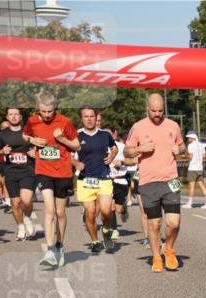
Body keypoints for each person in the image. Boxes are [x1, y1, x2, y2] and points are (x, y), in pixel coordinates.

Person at [124, 93, 186, 273]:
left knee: (174, 222)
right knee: (155, 224)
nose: (157, 114)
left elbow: (182, 146)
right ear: (147, 109)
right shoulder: (138, 127)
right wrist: (139, 149)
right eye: (154, 111)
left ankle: (169, 248)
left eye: (160, 111)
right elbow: (127, 152)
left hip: (170, 180)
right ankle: (157, 256)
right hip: (148, 182)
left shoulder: (173, 126)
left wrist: (179, 149)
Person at [24, 91, 80, 268]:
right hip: (43, 171)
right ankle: (49, 250)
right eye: (43, 111)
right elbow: (25, 135)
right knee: (49, 208)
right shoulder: (32, 120)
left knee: (60, 212)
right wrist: (32, 139)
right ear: (38, 109)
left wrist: (62, 138)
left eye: (49, 111)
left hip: (63, 172)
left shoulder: (65, 122)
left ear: (55, 107)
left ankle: (59, 246)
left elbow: (77, 145)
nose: (46, 115)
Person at [74, 107, 118, 253]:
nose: (89, 119)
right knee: (90, 213)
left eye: (92, 116)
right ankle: (95, 240)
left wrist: (111, 156)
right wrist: (76, 163)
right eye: (86, 116)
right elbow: (66, 155)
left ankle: (106, 231)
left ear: (96, 117)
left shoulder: (105, 134)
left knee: (106, 211)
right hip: (85, 180)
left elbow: (114, 148)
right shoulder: (77, 135)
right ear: (82, 118)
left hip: (103, 177)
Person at [0, 107, 37, 240]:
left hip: (27, 170)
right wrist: (2, 151)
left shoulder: (29, 132)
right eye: (10, 114)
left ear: (21, 117)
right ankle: (21, 227)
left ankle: (28, 218)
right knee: (15, 202)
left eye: (16, 114)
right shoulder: (1, 134)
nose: (13, 117)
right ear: (7, 117)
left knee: (27, 200)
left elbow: (40, 145)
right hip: (10, 171)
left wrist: (36, 153)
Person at [106, 127, 130, 230]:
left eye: (109, 134)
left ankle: (123, 208)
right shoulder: (100, 147)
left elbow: (132, 160)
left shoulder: (122, 147)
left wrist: (121, 162)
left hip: (121, 180)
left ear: (114, 134)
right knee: (109, 206)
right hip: (107, 180)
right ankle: (113, 229)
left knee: (118, 209)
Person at [184, 130, 206, 209]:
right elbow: (203, 156)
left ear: (192, 138)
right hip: (200, 168)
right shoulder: (201, 145)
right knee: (202, 185)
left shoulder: (190, 146)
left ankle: (189, 203)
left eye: (189, 138)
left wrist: (185, 156)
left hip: (192, 168)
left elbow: (190, 157)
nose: (188, 139)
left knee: (191, 186)